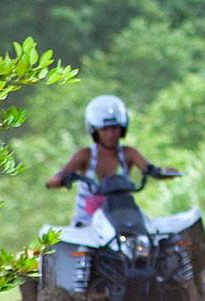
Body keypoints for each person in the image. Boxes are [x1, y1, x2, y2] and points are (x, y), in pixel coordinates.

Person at [46, 94, 171, 226]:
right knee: (80, 248)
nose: (110, 134)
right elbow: (62, 173)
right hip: (87, 224)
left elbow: (149, 168)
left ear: (122, 129)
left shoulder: (128, 153)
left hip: (121, 220)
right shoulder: (84, 155)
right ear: (95, 131)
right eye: (105, 129)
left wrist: (162, 173)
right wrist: (58, 179)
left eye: (114, 128)